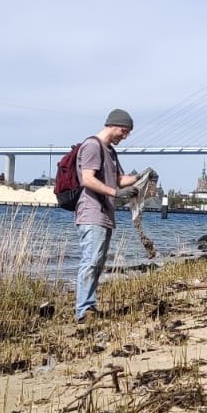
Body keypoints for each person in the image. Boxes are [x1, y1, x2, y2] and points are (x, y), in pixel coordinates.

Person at [73, 109, 141, 323]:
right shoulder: (93, 146)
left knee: (98, 262)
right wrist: (115, 194)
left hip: (104, 214)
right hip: (91, 212)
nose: (125, 136)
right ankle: (83, 311)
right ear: (112, 125)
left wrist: (141, 176)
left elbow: (118, 179)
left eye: (128, 132)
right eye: (124, 131)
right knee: (91, 260)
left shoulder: (110, 151)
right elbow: (87, 179)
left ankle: (89, 306)